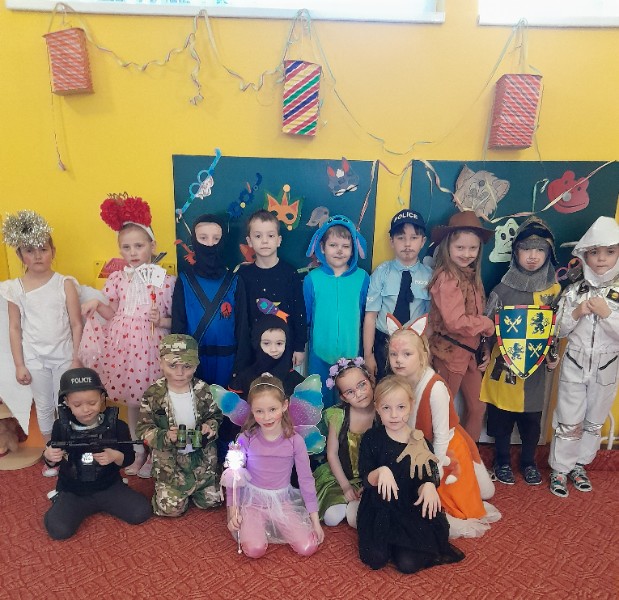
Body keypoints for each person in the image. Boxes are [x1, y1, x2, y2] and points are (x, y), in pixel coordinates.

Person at [79, 195, 175, 478]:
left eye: (139, 246)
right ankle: (137, 451)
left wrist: (161, 320)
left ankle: (156, 453)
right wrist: (97, 305)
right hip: (125, 348)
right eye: (126, 247)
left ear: (152, 246)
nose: (133, 252)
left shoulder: (165, 280)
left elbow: (177, 320)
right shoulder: (117, 279)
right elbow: (112, 313)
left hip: (152, 347)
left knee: (154, 403)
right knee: (132, 403)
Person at [388, 320, 500, 538]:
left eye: (407, 354)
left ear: (422, 355)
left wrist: (434, 473)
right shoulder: (398, 381)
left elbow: (441, 437)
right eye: (394, 355)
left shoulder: (435, 387)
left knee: (474, 498)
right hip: (419, 448)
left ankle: (472, 480)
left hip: (446, 450)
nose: (399, 360)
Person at [0, 211, 83, 477]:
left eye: (43, 249)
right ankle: (52, 453)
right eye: (29, 250)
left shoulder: (64, 284)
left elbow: (76, 323)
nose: (37, 256)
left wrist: (76, 358)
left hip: (64, 356)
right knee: (45, 406)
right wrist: (19, 364)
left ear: (52, 252)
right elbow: (14, 327)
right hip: (35, 359)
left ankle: (74, 452)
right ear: (20, 255)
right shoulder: (15, 289)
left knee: (67, 405)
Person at [481, 217, 561, 486]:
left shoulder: (553, 291)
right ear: (516, 252)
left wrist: (552, 356)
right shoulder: (502, 290)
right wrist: (484, 350)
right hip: (504, 367)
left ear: (549, 253)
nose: (533, 256)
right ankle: (502, 460)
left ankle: (528, 462)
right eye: (526, 249)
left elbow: (555, 329)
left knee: (531, 421)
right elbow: (487, 327)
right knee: (502, 418)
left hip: (534, 370)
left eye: (540, 250)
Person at [357, 375, 464, 573]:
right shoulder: (371, 438)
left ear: (411, 406)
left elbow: (429, 474)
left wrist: (429, 485)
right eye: (386, 408)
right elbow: (365, 478)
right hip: (381, 507)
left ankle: (401, 546)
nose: (394, 415)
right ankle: (390, 544)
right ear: (377, 408)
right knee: (376, 559)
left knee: (408, 564)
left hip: (410, 508)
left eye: (401, 407)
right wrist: (381, 472)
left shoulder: (419, 441)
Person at [549, 216, 619, 498]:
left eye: (609, 252)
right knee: (569, 419)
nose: (601, 259)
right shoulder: (574, 291)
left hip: (607, 364)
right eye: (594, 252)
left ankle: (580, 464)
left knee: (594, 420)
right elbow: (557, 329)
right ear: (584, 255)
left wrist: (608, 314)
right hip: (576, 363)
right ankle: (560, 468)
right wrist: (577, 313)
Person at [42, 367, 151, 540]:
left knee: (141, 512)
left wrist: (115, 456)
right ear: (67, 402)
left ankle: (106, 499)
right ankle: (61, 498)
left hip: (108, 486)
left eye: (92, 403)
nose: (86, 409)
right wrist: (49, 456)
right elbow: (52, 459)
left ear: (102, 398)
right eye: (77, 405)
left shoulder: (118, 425)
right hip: (73, 490)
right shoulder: (60, 426)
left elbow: (128, 458)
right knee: (59, 530)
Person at [225, 374, 324, 558]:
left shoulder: (295, 441)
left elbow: (306, 480)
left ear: (284, 405)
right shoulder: (246, 439)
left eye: (272, 409)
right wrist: (233, 512)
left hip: (283, 501)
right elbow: (234, 478)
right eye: (259, 411)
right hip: (253, 502)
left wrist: (315, 522)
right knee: (254, 550)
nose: (267, 417)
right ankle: (254, 525)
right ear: (252, 410)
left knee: (308, 547)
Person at [428, 211, 496, 442]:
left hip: (471, 354)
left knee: (477, 407)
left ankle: (469, 455)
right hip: (450, 354)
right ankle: (437, 458)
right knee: (442, 411)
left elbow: (475, 316)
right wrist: (486, 324)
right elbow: (455, 321)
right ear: (448, 247)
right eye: (460, 248)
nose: (466, 254)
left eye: (472, 248)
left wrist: (484, 346)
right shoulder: (447, 278)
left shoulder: (472, 277)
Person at [136, 334, 222, 516]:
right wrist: (165, 436)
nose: (179, 373)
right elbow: (143, 429)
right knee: (170, 510)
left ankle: (201, 485)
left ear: (196, 365)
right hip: (171, 466)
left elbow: (216, 416)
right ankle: (167, 490)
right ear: (161, 363)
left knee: (212, 502)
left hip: (201, 461)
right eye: (172, 365)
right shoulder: (153, 394)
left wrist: (210, 426)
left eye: (187, 366)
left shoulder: (204, 390)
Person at [171, 213, 244, 388]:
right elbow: (178, 324)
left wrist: (241, 364)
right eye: (203, 238)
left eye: (216, 238)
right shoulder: (184, 280)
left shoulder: (235, 281)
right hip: (193, 361)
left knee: (224, 404)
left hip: (227, 361)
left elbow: (242, 326)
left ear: (223, 241)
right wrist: (179, 362)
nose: (210, 244)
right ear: (194, 241)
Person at [304, 215, 370, 404]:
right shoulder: (312, 279)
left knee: (350, 401)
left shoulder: (362, 278)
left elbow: (366, 314)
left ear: (354, 248)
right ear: (322, 247)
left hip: (352, 353)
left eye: (345, 246)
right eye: (333, 245)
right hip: (319, 353)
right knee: (318, 401)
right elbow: (306, 317)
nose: (339, 251)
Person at [233, 209, 307, 374]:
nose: (265, 241)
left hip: (283, 350)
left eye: (270, 236)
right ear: (249, 241)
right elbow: (241, 317)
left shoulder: (290, 273)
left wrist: (299, 347)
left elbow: (299, 312)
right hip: (252, 351)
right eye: (258, 236)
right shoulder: (243, 276)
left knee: (281, 386)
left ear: (279, 240)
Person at [364, 209, 432, 381]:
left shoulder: (430, 276)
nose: (407, 244)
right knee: (384, 387)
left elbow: (431, 319)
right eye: (401, 238)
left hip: (415, 344)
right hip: (384, 343)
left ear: (423, 241)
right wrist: (368, 355)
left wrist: (426, 352)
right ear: (392, 242)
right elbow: (370, 316)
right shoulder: (381, 273)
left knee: (412, 390)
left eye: (414, 238)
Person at [313, 357, 376, 528]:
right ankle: (346, 504)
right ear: (343, 397)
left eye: (362, 385)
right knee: (331, 518)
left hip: (370, 478)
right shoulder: (338, 415)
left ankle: (356, 507)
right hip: (341, 476)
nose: (359, 394)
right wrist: (346, 486)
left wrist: (369, 483)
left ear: (370, 381)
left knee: (365, 514)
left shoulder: (382, 411)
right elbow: (332, 454)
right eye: (350, 392)